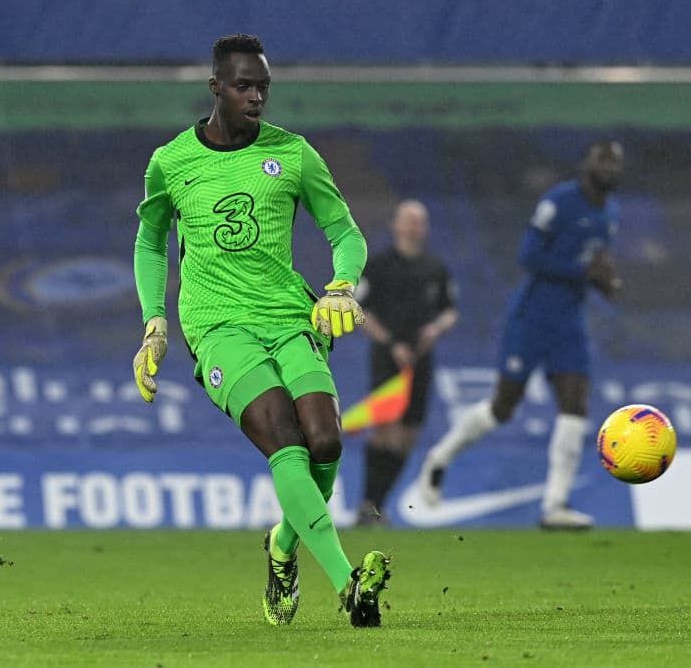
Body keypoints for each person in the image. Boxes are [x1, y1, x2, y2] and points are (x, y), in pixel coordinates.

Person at [131, 34, 391, 627]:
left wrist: (342, 285)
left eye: (264, 87)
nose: (256, 97)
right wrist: (155, 322)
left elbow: (346, 234)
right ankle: (348, 583)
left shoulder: (293, 154)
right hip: (218, 327)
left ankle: (281, 546)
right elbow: (151, 241)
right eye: (245, 86)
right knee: (285, 440)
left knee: (325, 442)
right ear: (216, 87)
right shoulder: (171, 162)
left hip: (288, 318)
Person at [417, 140, 625, 530]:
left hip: (570, 324)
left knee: (575, 405)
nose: (611, 169)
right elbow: (529, 256)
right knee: (503, 407)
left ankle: (555, 506)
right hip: (531, 318)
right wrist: (584, 274)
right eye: (604, 161)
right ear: (587, 165)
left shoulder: (611, 212)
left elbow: (595, 263)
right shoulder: (560, 202)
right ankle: (439, 459)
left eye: (617, 164)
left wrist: (605, 282)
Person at [355, 199, 458, 526]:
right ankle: (368, 505)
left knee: (409, 435)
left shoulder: (435, 268)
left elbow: (450, 311)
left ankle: (376, 506)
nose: (414, 227)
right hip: (388, 358)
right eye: (408, 221)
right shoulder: (379, 265)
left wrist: (436, 328)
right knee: (386, 430)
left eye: (419, 222)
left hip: (421, 359)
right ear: (396, 225)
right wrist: (389, 342)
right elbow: (358, 310)